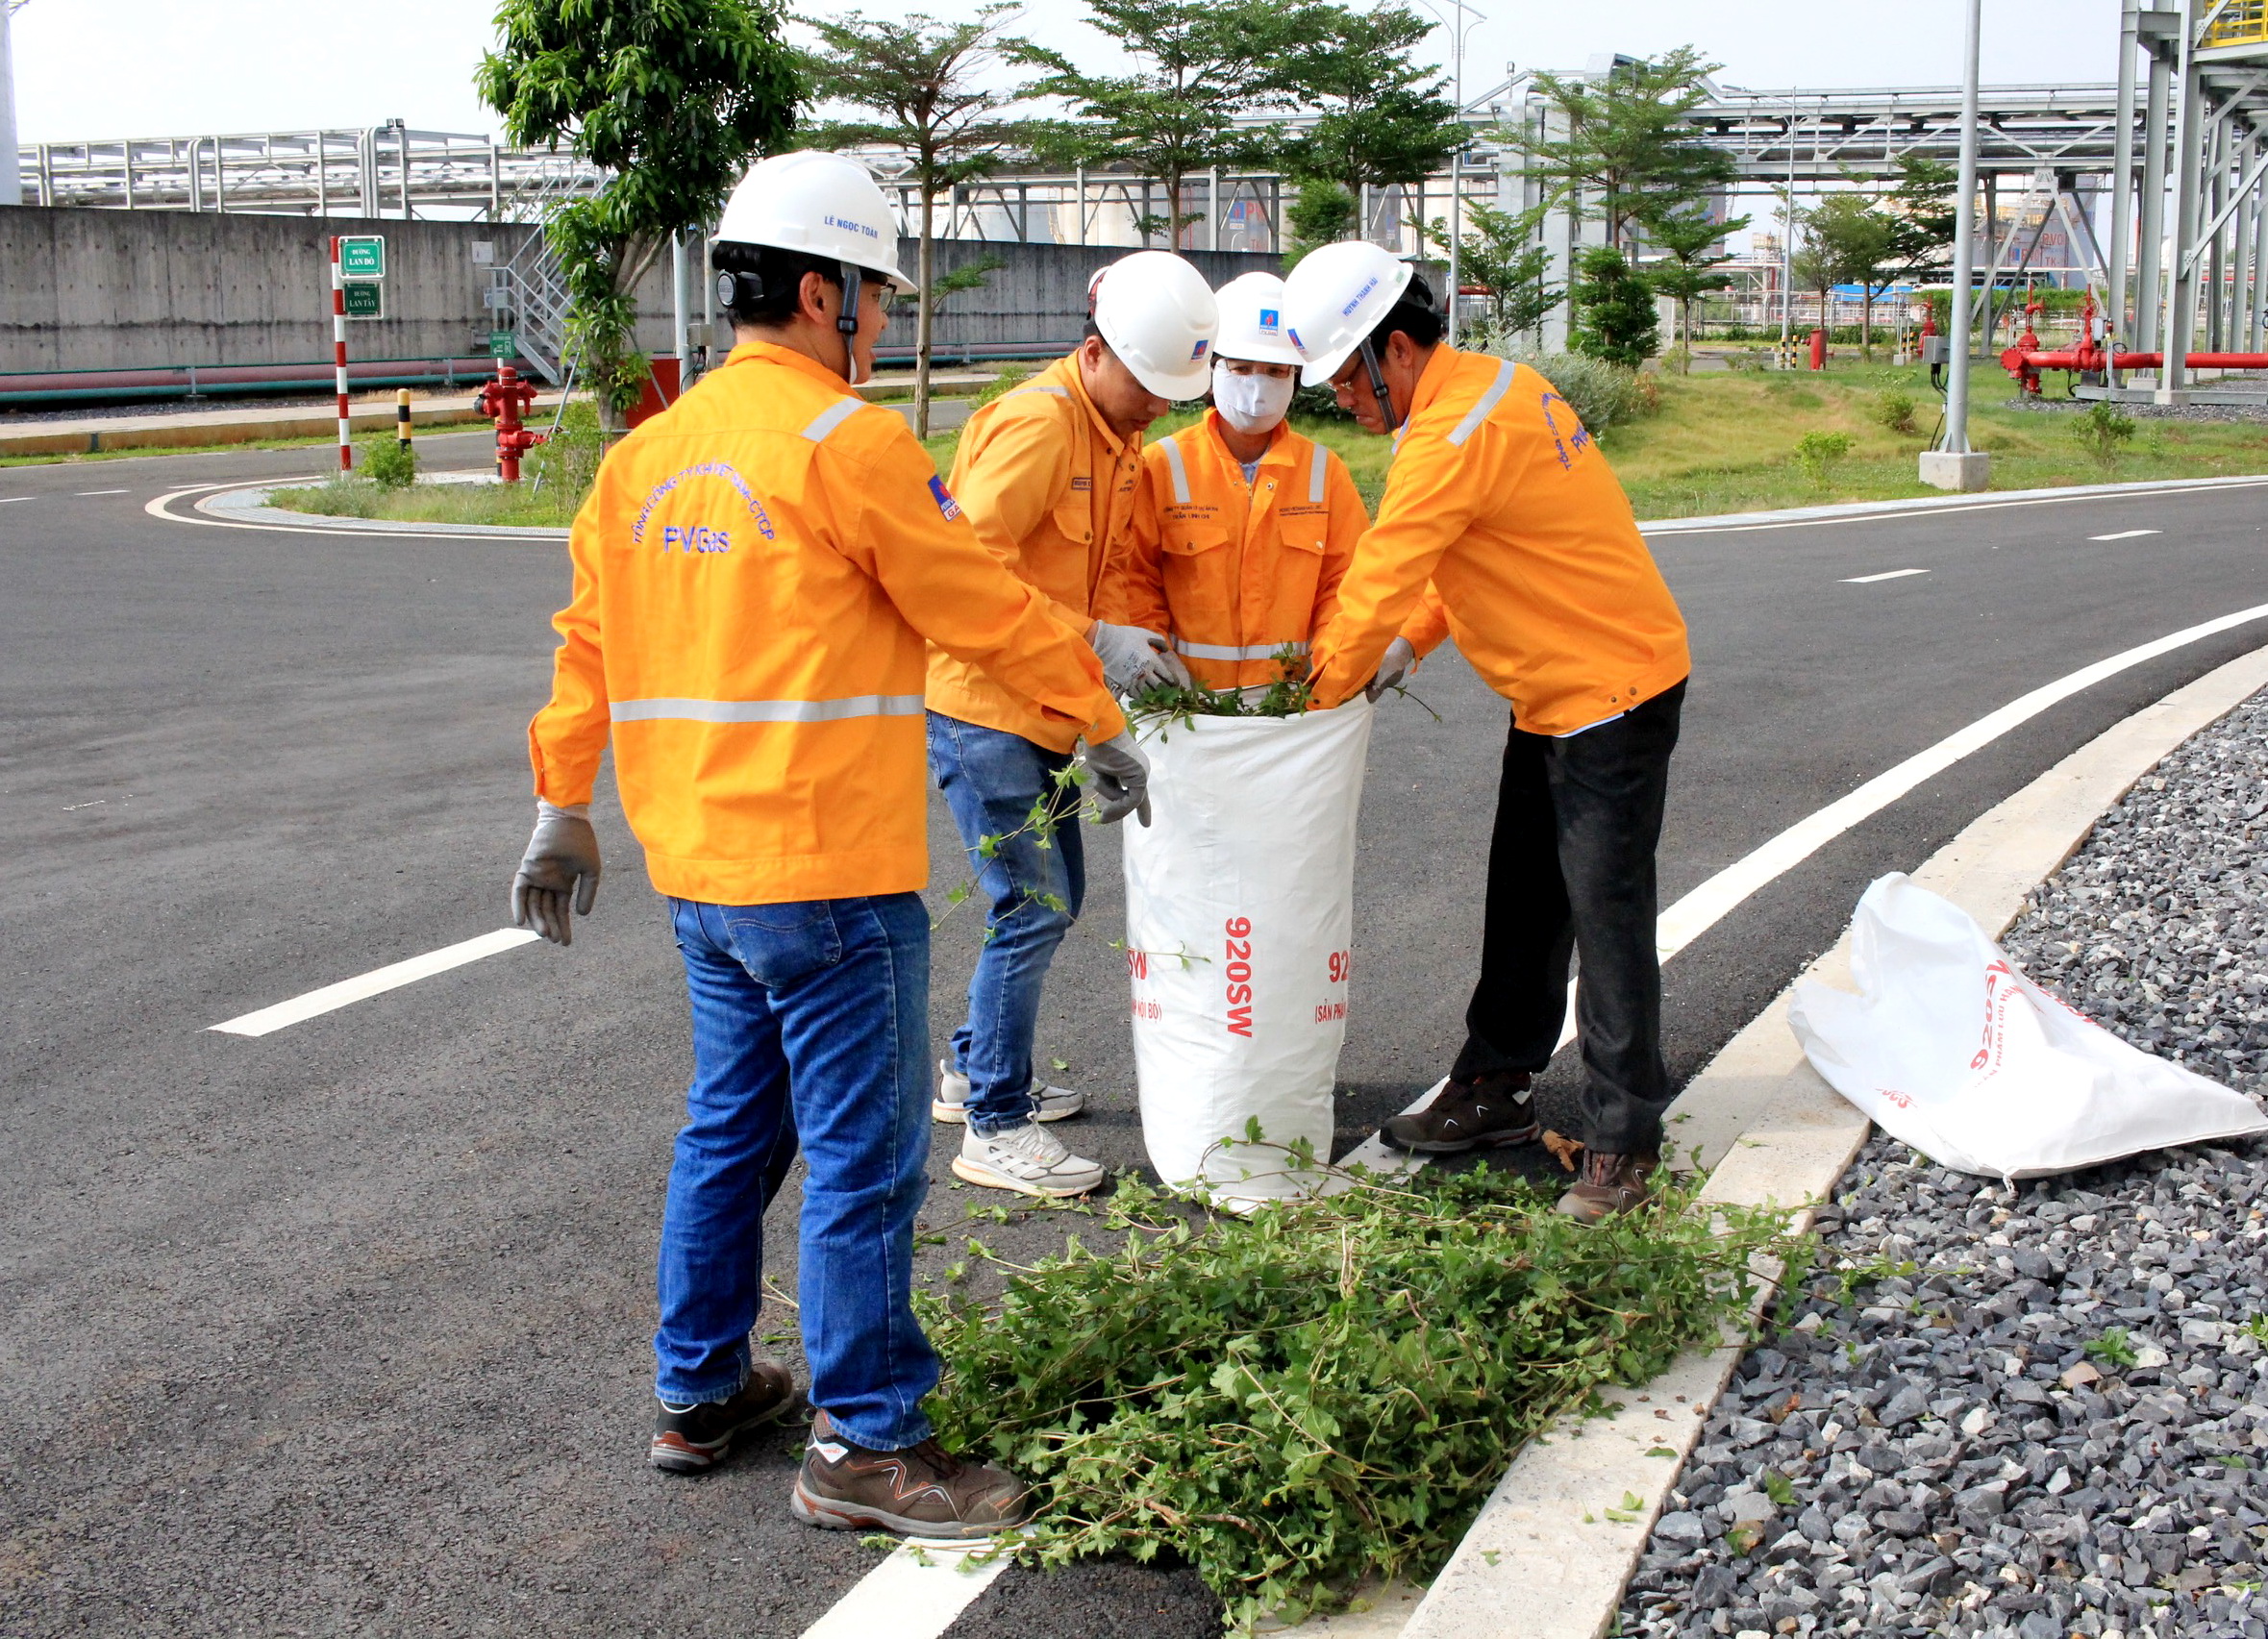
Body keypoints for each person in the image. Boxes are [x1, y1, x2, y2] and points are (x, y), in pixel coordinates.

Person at [508, 150, 1150, 1537]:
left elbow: (586, 647)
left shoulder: (641, 456)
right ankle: (864, 1444)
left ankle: (700, 1393)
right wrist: (1091, 714)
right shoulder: (840, 445)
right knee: (863, 1159)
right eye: (870, 295)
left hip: (700, 877)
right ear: (819, 294)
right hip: (830, 875)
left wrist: (565, 801)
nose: (876, 321)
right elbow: (977, 601)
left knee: (730, 1132)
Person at [1280, 240, 1692, 1225]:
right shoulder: (1495, 386)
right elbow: (1460, 556)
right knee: (1525, 902)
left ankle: (1622, 1140)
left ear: (1395, 352)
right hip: (1556, 689)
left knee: (1606, 916)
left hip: (1610, 693)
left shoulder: (1451, 431)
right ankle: (1498, 1087)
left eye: (1345, 376)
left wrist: (1303, 702)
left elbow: (1385, 571)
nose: (1340, 397)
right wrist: (1409, 647)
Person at [925, 249, 1217, 1199]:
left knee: (1044, 899)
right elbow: (963, 571)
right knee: (1034, 904)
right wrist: (1097, 639)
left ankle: (975, 1071)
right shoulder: (1040, 427)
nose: (1160, 407)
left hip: (1033, 700)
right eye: (1149, 385)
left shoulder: (1110, 433)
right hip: (983, 705)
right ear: (1097, 352)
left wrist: (1110, 666)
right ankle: (994, 1124)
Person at [1105, 271, 1376, 693]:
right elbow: (1132, 576)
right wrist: (1153, 657)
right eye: (1242, 368)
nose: (1258, 386)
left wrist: (1332, 661)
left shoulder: (1324, 473)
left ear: (1295, 377)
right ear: (1213, 368)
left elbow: (1347, 582)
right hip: (1188, 702)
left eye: (1274, 370)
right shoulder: (1160, 467)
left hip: (1294, 702)